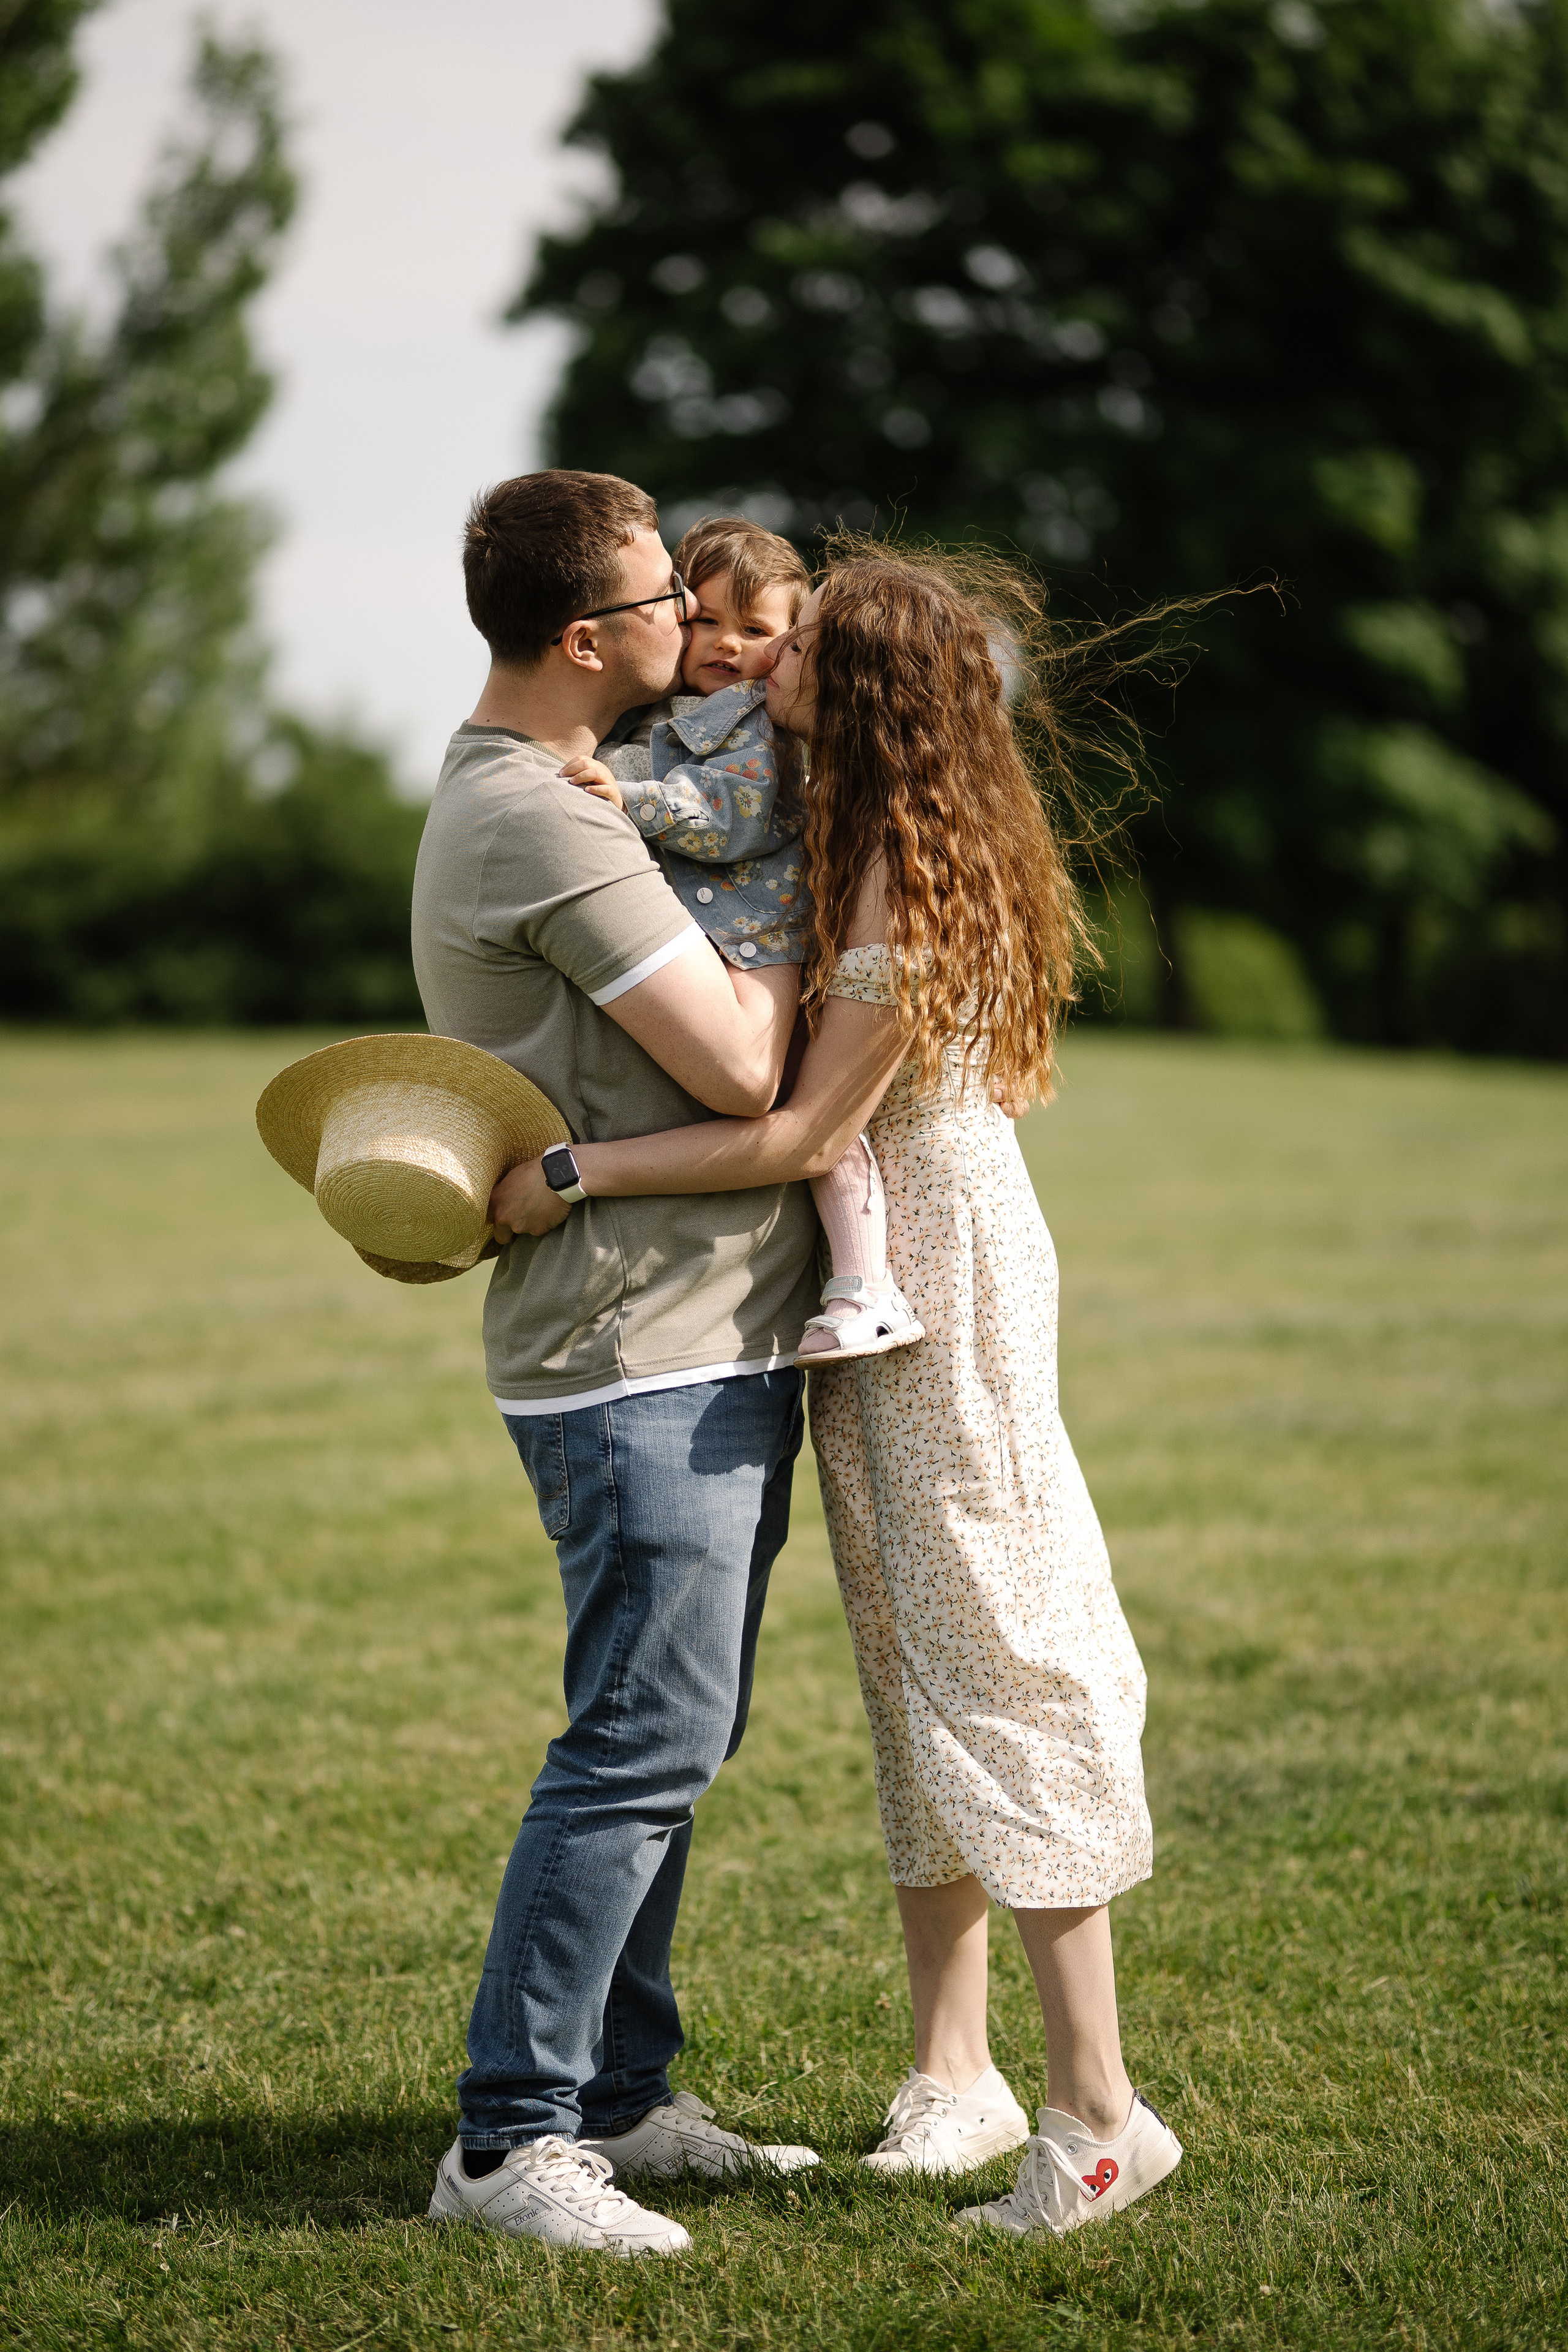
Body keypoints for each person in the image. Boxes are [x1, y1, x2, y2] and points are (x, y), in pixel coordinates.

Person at [491, 540, 1185, 2242]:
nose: (763, 656)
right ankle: (962, 2080)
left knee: (1002, 1651)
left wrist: (573, 1172)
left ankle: (1099, 2116)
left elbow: (802, 1131)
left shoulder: (898, 880)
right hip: (887, 1294)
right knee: (915, 1657)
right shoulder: (872, 835)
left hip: (931, 1292)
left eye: (801, 647)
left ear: (852, 687)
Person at [412, 470, 823, 2258]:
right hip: (629, 1345)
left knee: (681, 1728)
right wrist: (841, 906)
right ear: (589, 641)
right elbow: (742, 1069)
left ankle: (622, 2098)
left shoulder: (567, 789)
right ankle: (512, 2144)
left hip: (696, 1324)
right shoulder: (548, 819)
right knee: (639, 1739)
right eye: (668, 601)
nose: (700, 625)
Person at [562, 513, 922, 1367]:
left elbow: (733, 816)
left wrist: (630, 798)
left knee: (810, 1110)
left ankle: (867, 1284)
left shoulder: (751, 728)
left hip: (757, 943)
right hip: (705, 936)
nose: (729, 645)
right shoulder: (670, 709)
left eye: (760, 632)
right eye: (707, 620)